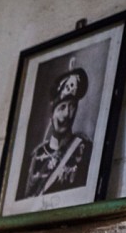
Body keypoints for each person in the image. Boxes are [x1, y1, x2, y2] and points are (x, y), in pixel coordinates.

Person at [21, 65, 93, 199]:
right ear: (52, 112)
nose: (67, 114)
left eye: (72, 107)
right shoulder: (34, 157)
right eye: (62, 107)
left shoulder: (84, 150)